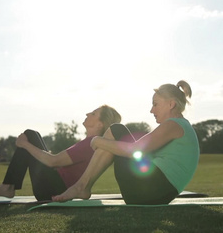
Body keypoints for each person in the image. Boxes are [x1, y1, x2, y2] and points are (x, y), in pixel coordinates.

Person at [52, 80, 199, 205]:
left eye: (155, 104)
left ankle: (81, 186)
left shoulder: (173, 125)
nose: (151, 110)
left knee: (116, 130)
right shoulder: (180, 126)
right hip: (156, 193)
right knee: (115, 138)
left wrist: (98, 141)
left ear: (171, 104)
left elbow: (135, 150)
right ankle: (81, 186)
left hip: (150, 190)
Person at [0, 105, 121, 201]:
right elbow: (57, 162)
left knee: (30, 136)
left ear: (100, 124)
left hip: (51, 188)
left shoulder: (89, 144)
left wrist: (25, 145)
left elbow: (53, 161)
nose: (87, 113)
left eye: (93, 113)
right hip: (55, 183)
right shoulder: (89, 143)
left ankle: (7, 187)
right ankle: (8, 186)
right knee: (33, 135)